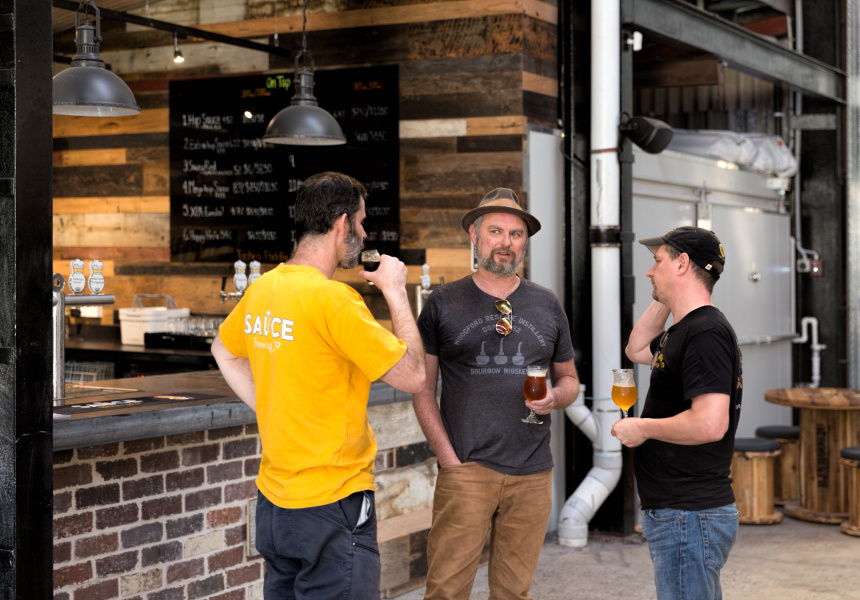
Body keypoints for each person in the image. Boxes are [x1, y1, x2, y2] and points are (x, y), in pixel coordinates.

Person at [211, 171, 426, 599]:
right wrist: (396, 291)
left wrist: (273, 406)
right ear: (342, 224)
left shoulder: (264, 288)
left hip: (275, 506)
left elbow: (223, 350)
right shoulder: (334, 300)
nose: (364, 233)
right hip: (332, 504)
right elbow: (414, 375)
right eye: (361, 222)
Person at [412, 188, 580, 600]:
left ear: (525, 242)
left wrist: (555, 398)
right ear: (474, 235)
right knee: (446, 591)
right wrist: (449, 460)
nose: (506, 242)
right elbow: (421, 388)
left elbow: (569, 381)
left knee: (513, 593)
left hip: (533, 473)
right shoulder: (443, 303)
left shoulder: (546, 303)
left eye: (516, 234)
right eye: (496, 231)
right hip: (466, 469)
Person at [611, 226, 743, 600]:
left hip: (689, 513)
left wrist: (643, 428)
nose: (650, 272)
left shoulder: (705, 332)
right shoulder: (684, 330)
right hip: (682, 512)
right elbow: (636, 349)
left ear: (682, 263)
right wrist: (669, 295)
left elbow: (710, 423)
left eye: (658, 263)